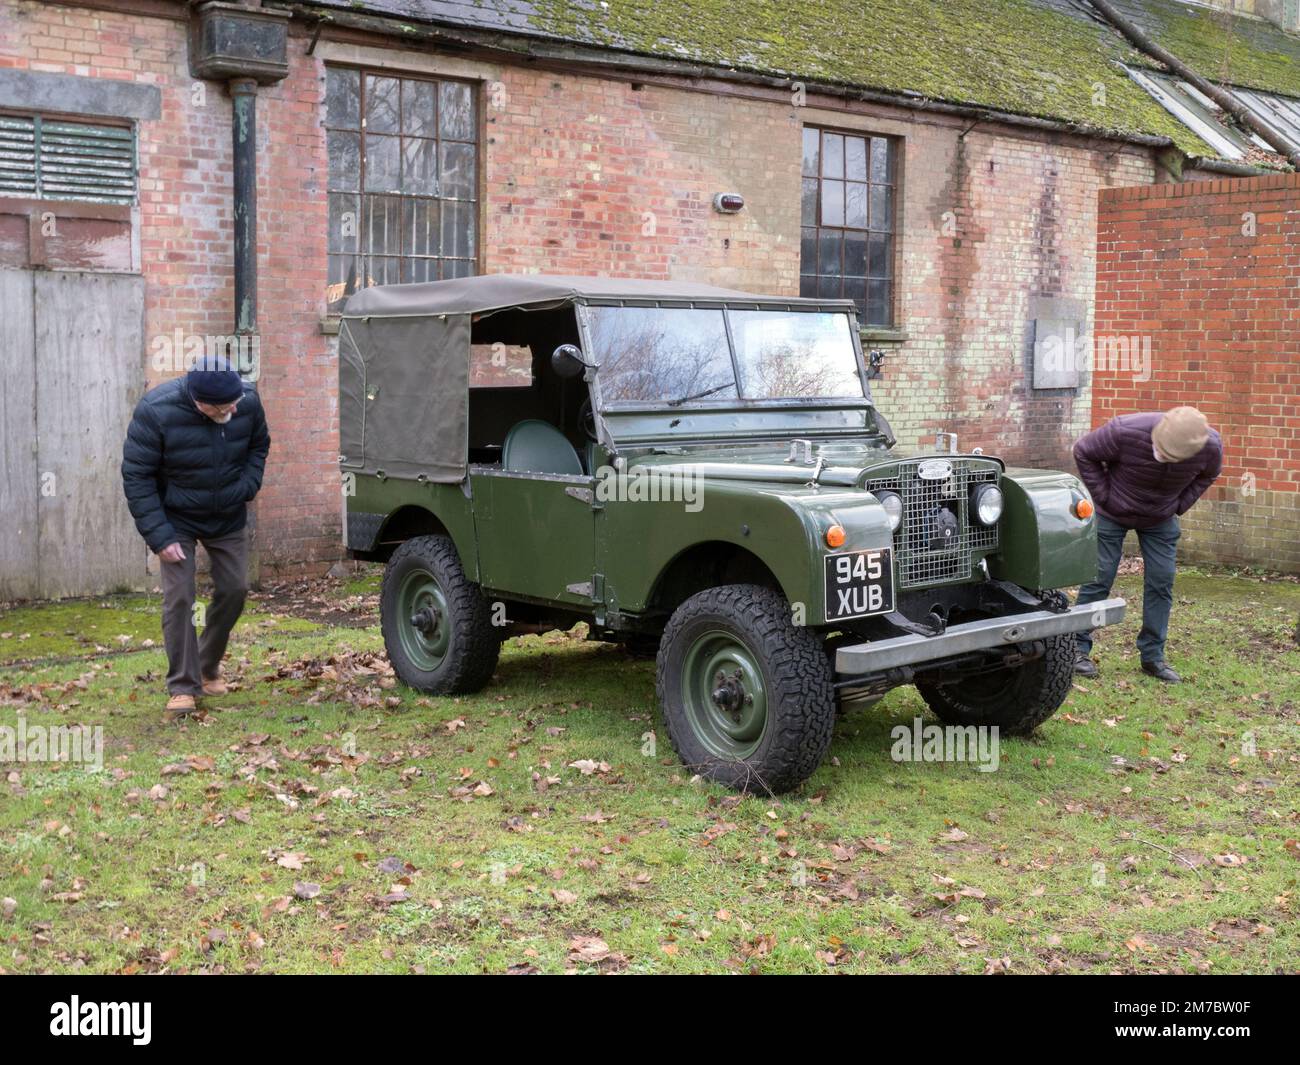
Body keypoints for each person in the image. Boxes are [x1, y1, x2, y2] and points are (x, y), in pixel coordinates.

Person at [121, 355, 271, 714]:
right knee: (180, 599)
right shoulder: (156, 411)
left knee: (235, 588)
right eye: (225, 407)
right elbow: (137, 477)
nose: (236, 408)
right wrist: (160, 537)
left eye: (237, 400)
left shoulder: (246, 401)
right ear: (201, 404)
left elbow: (258, 446)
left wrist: (247, 486)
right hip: (177, 520)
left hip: (227, 514)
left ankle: (206, 665)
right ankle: (183, 687)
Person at [1072, 405, 1221, 684]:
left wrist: (1179, 505)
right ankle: (1077, 648)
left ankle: (1153, 657)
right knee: (1099, 577)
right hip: (1112, 513)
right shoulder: (1125, 430)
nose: (1163, 457)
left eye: (1171, 457)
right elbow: (1083, 451)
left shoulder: (1209, 447)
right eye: (1161, 451)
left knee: (1161, 581)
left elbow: (1208, 475)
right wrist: (1105, 497)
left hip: (1160, 517)